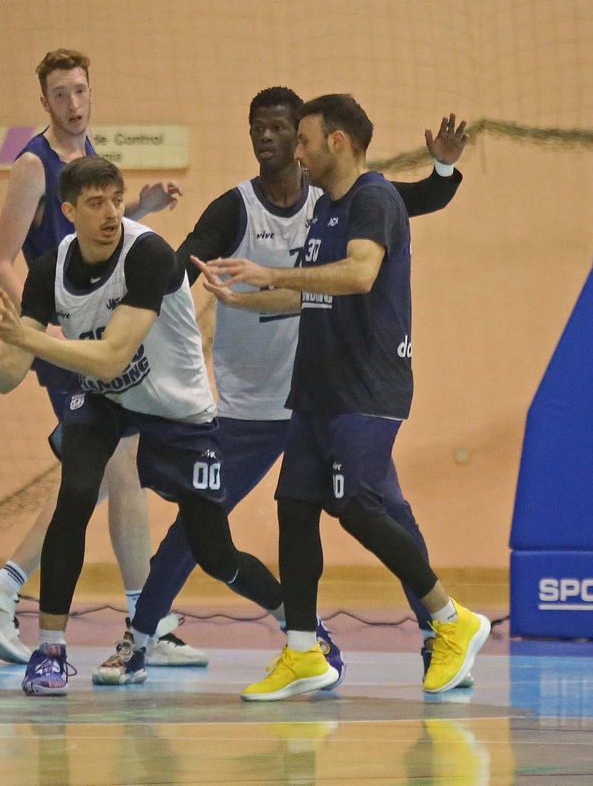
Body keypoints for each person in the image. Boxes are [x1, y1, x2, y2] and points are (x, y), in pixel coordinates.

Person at [93, 87, 467, 686]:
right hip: (259, 405)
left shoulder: (349, 199)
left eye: (282, 129)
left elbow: (418, 200)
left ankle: (439, 631)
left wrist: (444, 165)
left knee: (378, 512)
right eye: (256, 128)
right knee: (218, 521)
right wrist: (126, 265)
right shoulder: (239, 208)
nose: (269, 138)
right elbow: (180, 264)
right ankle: (183, 639)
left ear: (309, 140)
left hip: (337, 394)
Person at [0, 156, 289, 696]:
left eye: (116, 199)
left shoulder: (146, 255)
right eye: (96, 203)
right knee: (75, 493)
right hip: (102, 404)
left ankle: (299, 624)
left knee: (214, 551)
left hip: (175, 411)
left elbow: (112, 355)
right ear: (69, 211)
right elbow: (9, 376)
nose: (110, 213)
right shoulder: (48, 269)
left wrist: (26, 338)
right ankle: (50, 651)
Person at [198, 94, 490, 701]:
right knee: (295, 507)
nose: (295, 153)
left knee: (356, 505)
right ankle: (304, 652)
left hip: (368, 384)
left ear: (336, 142)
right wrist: (246, 301)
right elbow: (316, 294)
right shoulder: (326, 211)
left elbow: (358, 276)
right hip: (317, 387)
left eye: (303, 140)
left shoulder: (374, 199)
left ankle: (449, 619)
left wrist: (272, 273)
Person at [0, 49, 202, 674]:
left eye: (81, 90)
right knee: (110, 470)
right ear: (44, 102)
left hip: (94, 329)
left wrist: (140, 211)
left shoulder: (89, 159)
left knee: (113, 475)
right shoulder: (33, 166)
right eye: (60, 93)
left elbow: (99, 243)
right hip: (65, 337)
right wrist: (43, 324)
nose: (73, 102)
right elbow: (2, 256)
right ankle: (30, 592)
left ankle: (141, 620)